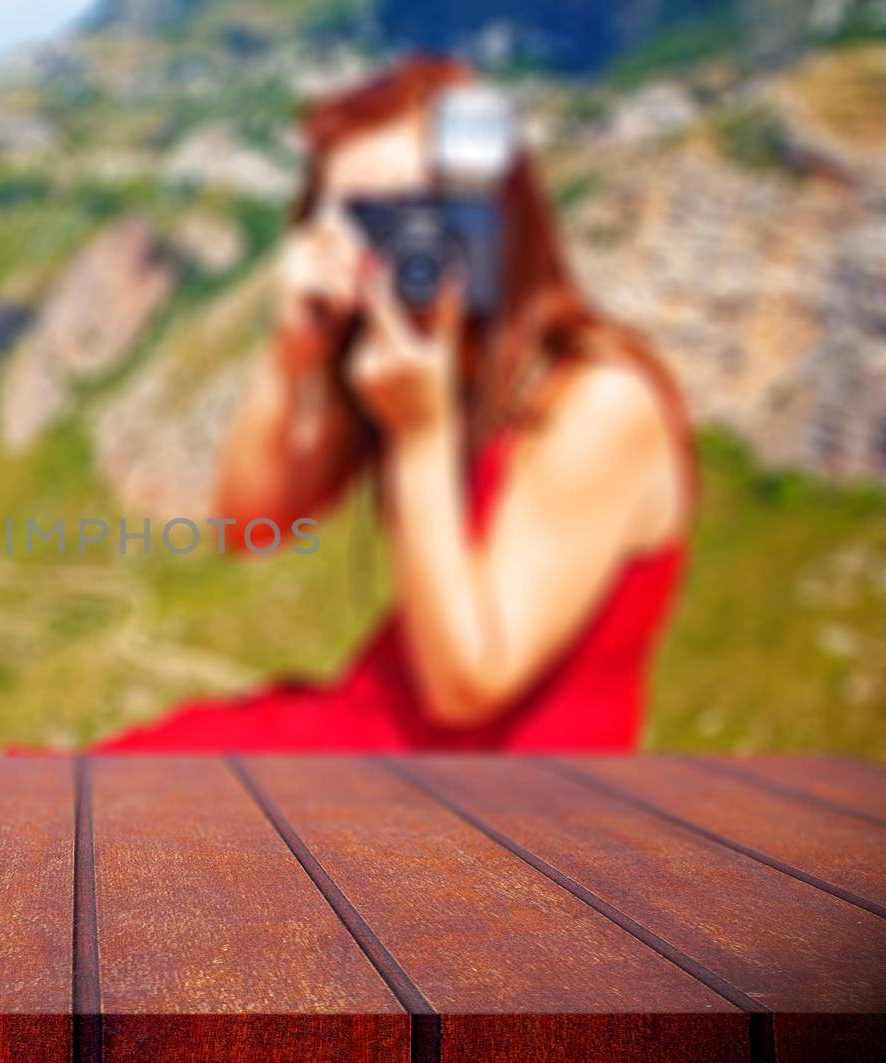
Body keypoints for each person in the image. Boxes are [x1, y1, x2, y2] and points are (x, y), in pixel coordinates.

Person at [95, 57, 695, 754]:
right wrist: (293, 355)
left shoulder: (600, 403)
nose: (389, 243)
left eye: (412, 209)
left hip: (510, 807)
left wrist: (421, 435)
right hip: (377, 743)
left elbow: (468, 688)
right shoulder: (409, 353)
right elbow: (250, 526)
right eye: (355, 215)